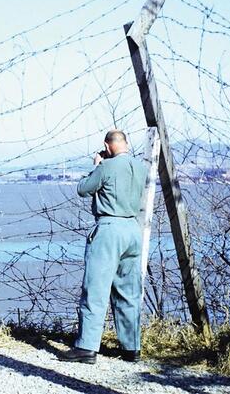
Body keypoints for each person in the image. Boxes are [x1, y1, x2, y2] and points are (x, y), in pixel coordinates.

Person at [57, 129, 148, 364]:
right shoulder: (140, 168)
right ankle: (132, 348)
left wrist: (97, 165)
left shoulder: (106, 167)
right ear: (126, 144)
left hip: (109, 228)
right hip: (132, 229)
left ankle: (87, 347)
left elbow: (83, 189)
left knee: (95, 288)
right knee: (128, 291)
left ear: (107, 147)